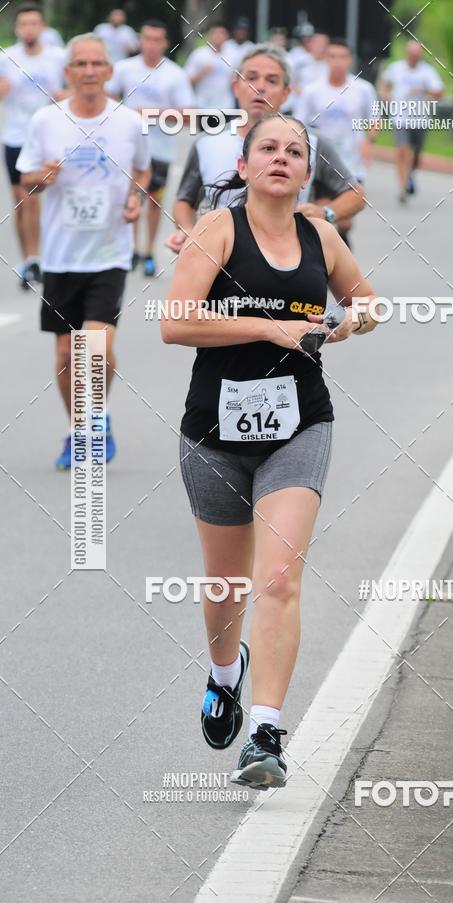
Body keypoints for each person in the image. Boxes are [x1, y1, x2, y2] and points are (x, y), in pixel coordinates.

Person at [162, 112, 377, 789]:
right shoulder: (219, 229)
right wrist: (271, 327)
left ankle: (264, 733)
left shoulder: (322, 236)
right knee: (226, 585)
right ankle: (225, 672)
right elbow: (174, 322)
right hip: (215, 431)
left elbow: (367, 300)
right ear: (245, 165)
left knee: (279, 578)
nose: (281, 158)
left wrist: (354, 320)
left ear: (307, 170)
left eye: (294, 151)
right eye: (268, 148)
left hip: (299, 426)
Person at [17, 33, 150, 468]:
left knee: (94, 348)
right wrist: (41, 178)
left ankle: (96, 418)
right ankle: (81, 428)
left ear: (109, 71)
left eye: (97, 64)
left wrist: (135, 199)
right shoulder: (45, 120)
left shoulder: (128, 122)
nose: (89, 71)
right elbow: (25, 179)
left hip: (109, 254)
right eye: (81, 64)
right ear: (68, 71)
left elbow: (144, 171)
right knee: (64, 355)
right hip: (60, 256)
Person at [167, 43, 365, 254]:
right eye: (251, 78)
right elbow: (184, 201)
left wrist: (326, 213)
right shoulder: (207, 142)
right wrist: (187, 231)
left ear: (286, 93)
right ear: (236, 87)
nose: (259, 87)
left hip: (290, 261)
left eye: (271, 80)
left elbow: (356, 195)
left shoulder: (311, 142)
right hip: (221, 261)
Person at [106, 19, 195, 276]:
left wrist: (151, 113)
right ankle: (132, 249)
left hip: (161, 149)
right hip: (129, 148)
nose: (152, 45)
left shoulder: (174, 74)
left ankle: (148, 251)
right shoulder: (124, 68)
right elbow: (106, 101)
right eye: (147, 39)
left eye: (157, 40)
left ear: (165, 43)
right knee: (132, 198)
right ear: (140, 41)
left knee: (154, 201)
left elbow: (188, 115)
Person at [0, 2, 65, 290]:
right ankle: (28, 260)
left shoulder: (57, 57)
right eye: (23, 24)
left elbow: (72, 89)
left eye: (33, 24)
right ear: (17, 28)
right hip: (14, 138)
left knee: (34, 198)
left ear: (42, 27)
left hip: (45, 139)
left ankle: (36, 259)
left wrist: (63, 95)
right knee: (20, 201)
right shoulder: (6, 58)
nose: (29, 29)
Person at [296, 37, 377, 247]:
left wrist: (369, 141)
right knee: (323, 218)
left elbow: (375, 120)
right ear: (325, 59)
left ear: (350, 60)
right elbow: (298, 126)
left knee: (346, 222)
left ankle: (340, 247)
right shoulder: (312, 90)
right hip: (323, 164)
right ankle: (329, 254)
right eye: (332, 56)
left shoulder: (363, 89)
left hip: (352, 162)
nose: (337, 62)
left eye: (342, 57)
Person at [379, 40, 443, 202]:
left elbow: (438, 93)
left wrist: (423, 89)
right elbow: (385, 83)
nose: (414, 58)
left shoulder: (427, 72)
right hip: (400, 117)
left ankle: (410, 174)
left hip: (420, 119)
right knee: (401, 150)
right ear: (407, 54)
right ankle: (403, 186)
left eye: (417, 55)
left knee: (416, 155)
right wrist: (385, 95)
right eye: (412, 54)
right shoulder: (396, 68)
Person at [184, 22, 234, 109]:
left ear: (227, 36)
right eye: (214, 33)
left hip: (226, 105)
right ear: (209, 35)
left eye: (221, 33)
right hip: (202, 105)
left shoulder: (233, 54)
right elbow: (185, 81)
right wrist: (202, 73)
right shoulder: (199, 54)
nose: (218, 36)